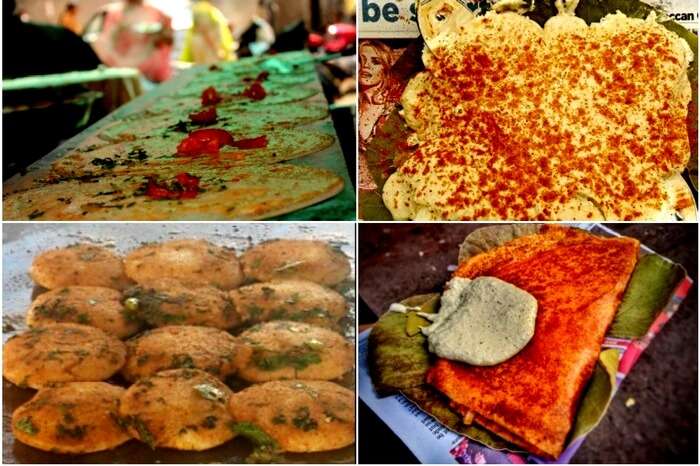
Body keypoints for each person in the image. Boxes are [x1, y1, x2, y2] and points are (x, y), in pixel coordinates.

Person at [92, 0, 173, 82]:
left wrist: (163, 34)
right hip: (122, 73)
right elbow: (102, 45)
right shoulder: (110, 13)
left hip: (152, 76)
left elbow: (168, 40)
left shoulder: (159, 14)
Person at [358, 40, 399, 149]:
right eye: (360, 60)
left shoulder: (396, 106)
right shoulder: (355, 103)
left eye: (375, 62)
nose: (365, 66)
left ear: (385, 69)